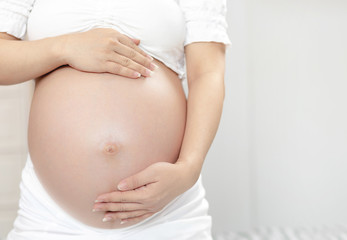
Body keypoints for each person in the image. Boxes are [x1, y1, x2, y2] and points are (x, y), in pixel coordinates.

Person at [0, 0, 231, 239]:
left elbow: (207, 73)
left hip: (168, 214)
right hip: (51, 218)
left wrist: (189, 169)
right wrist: (65, 47)